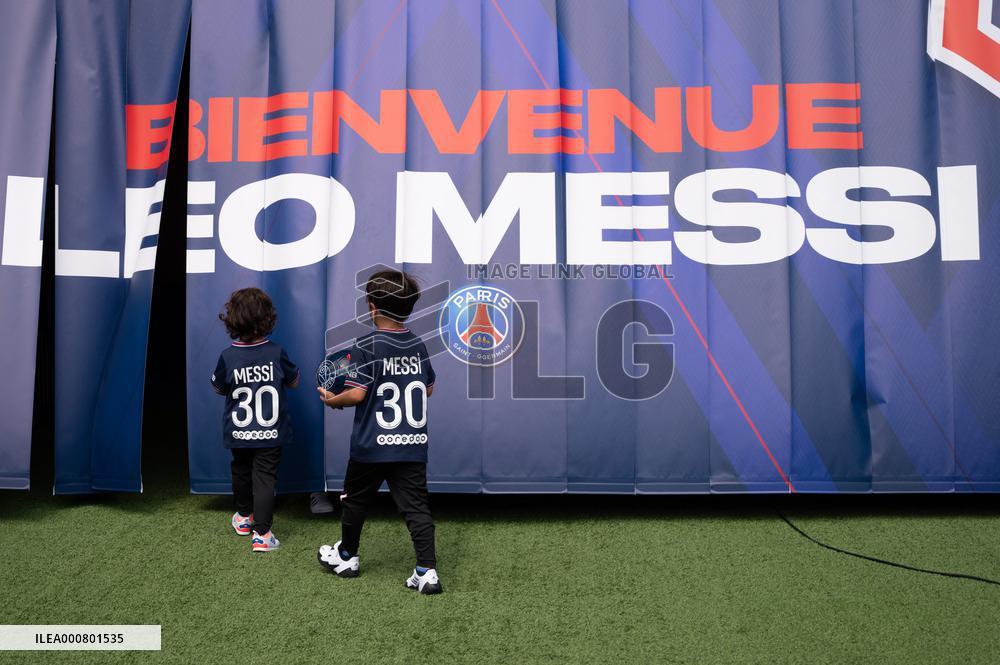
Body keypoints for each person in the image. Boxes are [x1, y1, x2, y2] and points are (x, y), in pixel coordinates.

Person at [315, 269, 441, 594]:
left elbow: (356, 394)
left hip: (370, 446)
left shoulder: (365, 345)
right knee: (416, 507)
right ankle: (426, 570)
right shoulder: (418, 345)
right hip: (411, 445)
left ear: (371, 307)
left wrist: (333, 400)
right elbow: (427, 389)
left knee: (355, 501)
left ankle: (346, 556)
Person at [211, 287, 299, 552]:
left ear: (232, 319)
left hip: (239, 431)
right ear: (267, 319)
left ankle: (244, 517)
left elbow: (218, 387)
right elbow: (294, 382)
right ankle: (262, 534)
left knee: (240, 470)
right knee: (264, 478)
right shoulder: (276, 352)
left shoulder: (228, 356)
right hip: (270, 432)